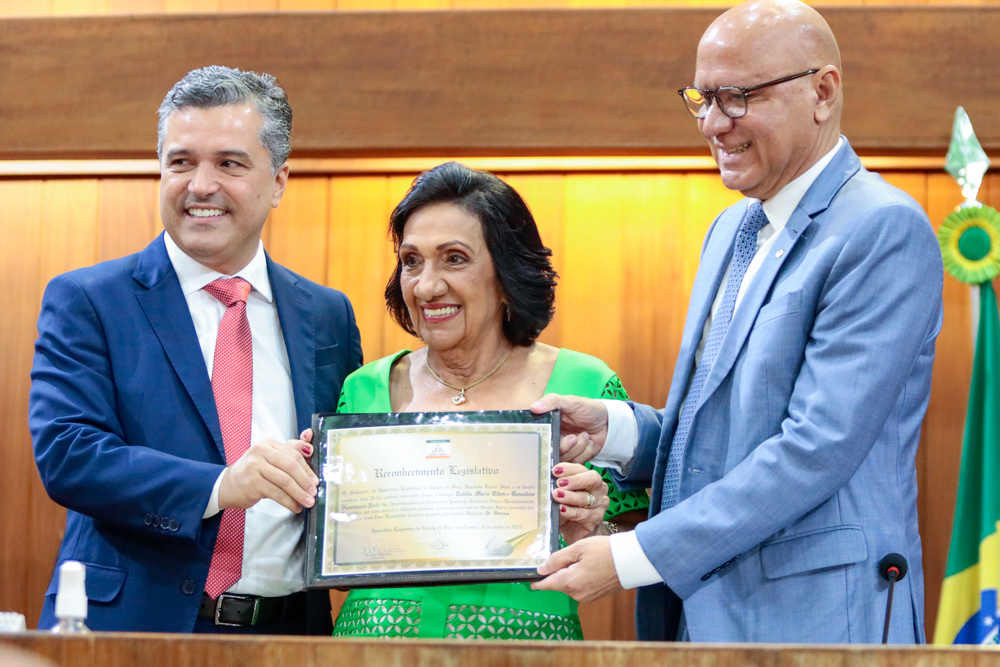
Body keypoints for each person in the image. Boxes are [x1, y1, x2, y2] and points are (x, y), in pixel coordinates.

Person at [530, 0, 943, 644]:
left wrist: (632, 557)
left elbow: (816, 448)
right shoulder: (732, 229)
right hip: (708, 618)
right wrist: (616, 432)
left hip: (821, 626)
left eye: (737, 97)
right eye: (701, 97)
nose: (712, 124)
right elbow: (722, 438)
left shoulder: (881, 229)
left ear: (823, 92)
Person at [30, 66, 363, 634]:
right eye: (181, 162)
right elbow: (69, 453)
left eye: (229, 163)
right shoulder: (89, 299)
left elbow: (347, 459)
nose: (200, 184)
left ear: (279, 181)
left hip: (289, 633)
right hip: (134, 629)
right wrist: (218, 486)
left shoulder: (326, 313)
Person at [328, 161, 649, 640]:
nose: (426, 285)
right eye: (412, 261)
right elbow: (338, 546)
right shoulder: (365, 388)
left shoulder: (582, 386)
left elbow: (633, 538)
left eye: (454, 258)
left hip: (526, 651)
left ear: (506, 272)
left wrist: (591, 530)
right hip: (372, 650)